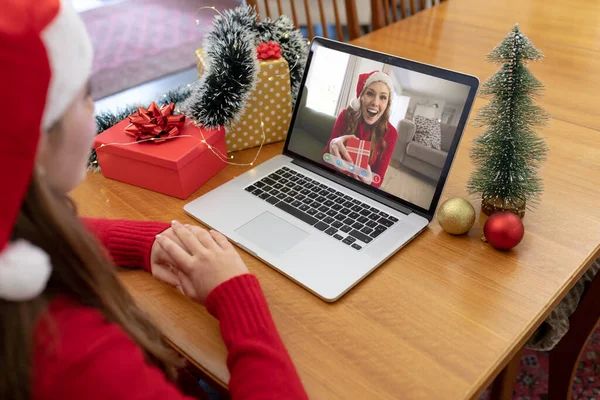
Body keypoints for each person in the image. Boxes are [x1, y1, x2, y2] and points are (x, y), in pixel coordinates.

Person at [0, 1, 307, 399]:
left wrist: (149, 242)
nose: (94, 108)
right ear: (33, 142)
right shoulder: (77, 362)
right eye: (84, 95)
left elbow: (45, 234)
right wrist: (235, 293)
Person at [323, 70, 398, 189]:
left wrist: (369, 182)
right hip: (333, 180)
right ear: (361, 97)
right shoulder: (345, 115)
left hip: (359, 190)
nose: (375, 103)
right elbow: (325, 158)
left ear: (387, 104)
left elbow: (378, 179)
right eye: (370, 94)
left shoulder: (391, 134)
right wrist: (332, 146)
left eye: (383, 97)